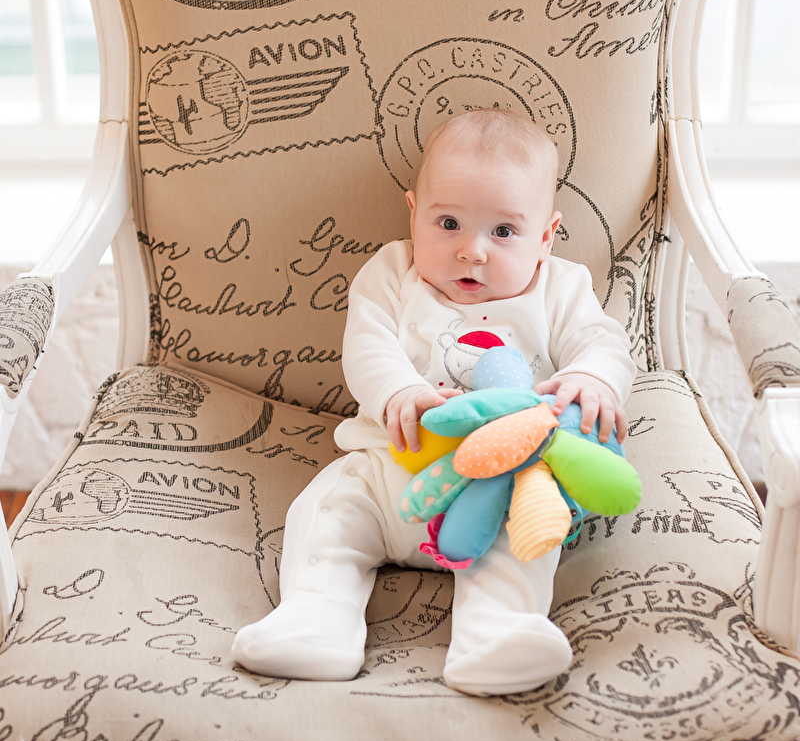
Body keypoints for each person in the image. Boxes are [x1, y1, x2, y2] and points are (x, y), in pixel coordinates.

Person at [232, 108, 638, 696]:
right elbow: (368, 345)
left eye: (504, 232)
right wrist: (401, 391)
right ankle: (316, 617)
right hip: (393, 466)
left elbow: (603, 342)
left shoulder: (561, 286)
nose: (473, 251)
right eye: (448, 223)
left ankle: (496, 635)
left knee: (526, 539)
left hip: (499, 481)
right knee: (330, 508)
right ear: (414, 212)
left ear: (546, 237)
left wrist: (592, 378)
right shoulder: (391, 272)